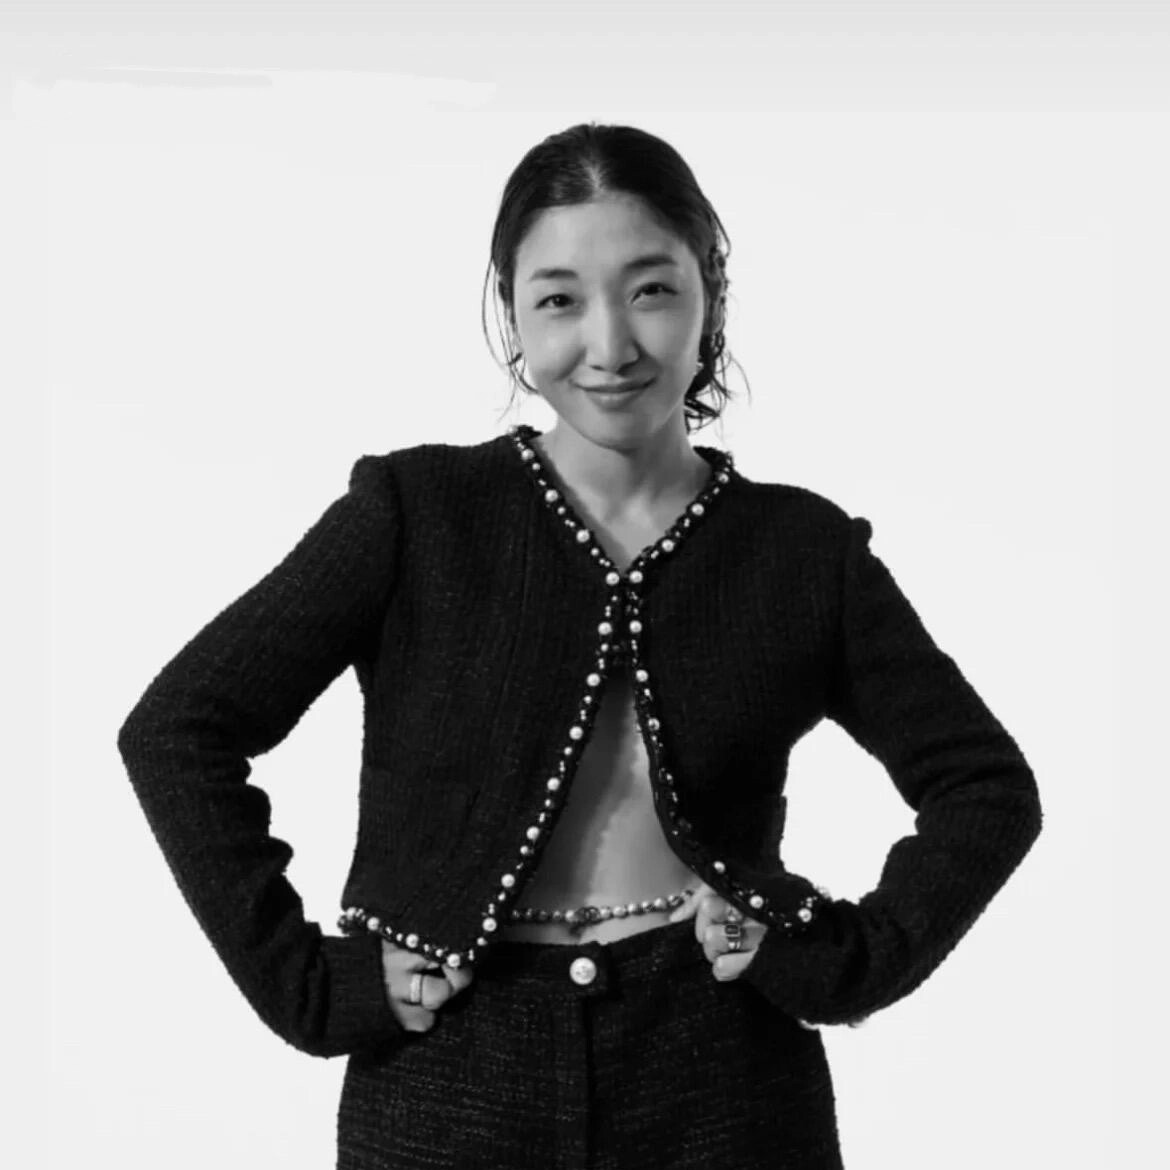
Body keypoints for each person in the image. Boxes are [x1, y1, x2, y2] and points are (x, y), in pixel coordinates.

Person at [116, 121, 1043, 1170]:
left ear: (710, 295)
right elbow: (179, 729)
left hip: (727, 1087)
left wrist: (836, 962)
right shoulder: (417, 515)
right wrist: (312, 986)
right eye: (559, 299)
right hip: (447, 1083)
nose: (609, 346)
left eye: (651, 290)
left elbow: (985, 787)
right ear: (511, 312)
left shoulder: (801, 552)